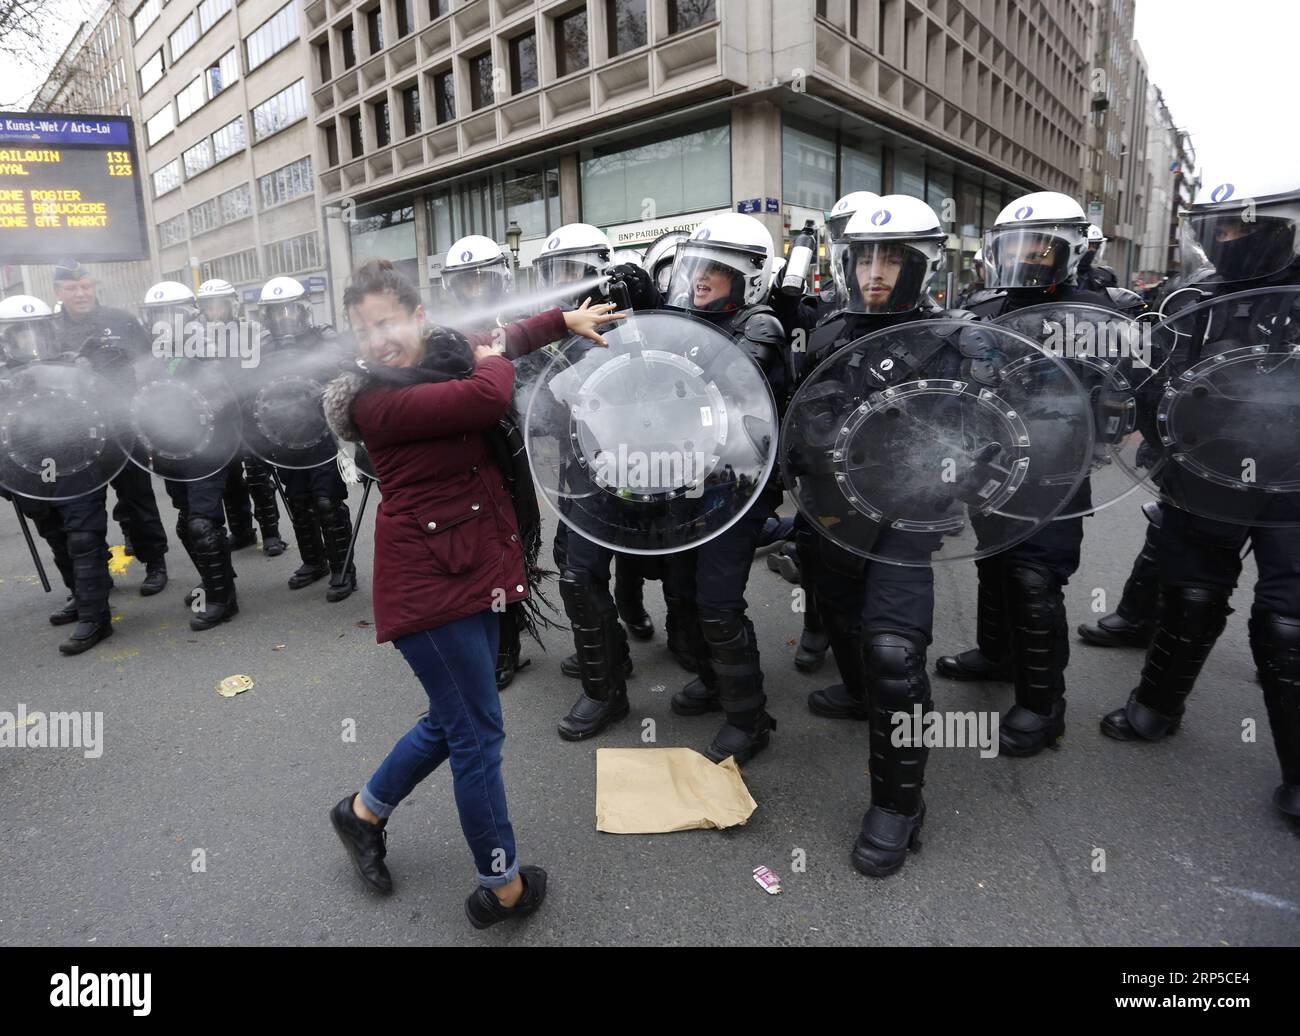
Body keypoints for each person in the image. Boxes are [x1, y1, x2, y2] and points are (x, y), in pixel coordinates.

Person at [321, 258, 620, 927]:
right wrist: (494, 354)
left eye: (388, 322)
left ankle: (362, 812)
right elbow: (485, 392)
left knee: (452, 719)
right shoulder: (377, 401)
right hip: (431, 592)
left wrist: (561, 320)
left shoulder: (443, 355)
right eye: (363, 330)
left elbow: (492, 343)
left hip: (470, 570)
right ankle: (503, 887)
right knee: (477, 736)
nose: (378, 340)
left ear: (418, 317)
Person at [1095, 170, 1300, 824]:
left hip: (1293, 487)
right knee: (1189, 594)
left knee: (1287, 621)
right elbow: (1155, 377)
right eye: (1223, 227)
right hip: (1204, 477)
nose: (1232, 238)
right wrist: (1147, 429)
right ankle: (1156, 707)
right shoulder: (1190, 297)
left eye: (1246, 225)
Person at [785, 196, 962, 875]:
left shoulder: (954, 341)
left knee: (893, 653)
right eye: (865, 257)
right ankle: (858, 695)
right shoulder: (824, 335)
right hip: (830, 517)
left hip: (904, 520)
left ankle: (898, 804)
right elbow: (789, 420)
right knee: (846, 627)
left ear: (922, 265)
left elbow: (979, 437)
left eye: (893, 258)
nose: (876, 272)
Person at [933, 191, 1136, 756]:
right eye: (1016, 245)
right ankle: (995, 654)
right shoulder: (987, 304)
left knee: (1034, 579)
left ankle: (1044, 706)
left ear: (1069, 249)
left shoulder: (1097, 311)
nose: (1027, 256)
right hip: (991, 466)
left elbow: (1126, 388)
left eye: (1041, 246)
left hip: (1056, 470)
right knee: (995, 563)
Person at [653, 212, 789, 763]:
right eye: (696, 266)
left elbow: (732, 383)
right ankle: (713, 679)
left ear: (748, 278)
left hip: (738, 488)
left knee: (717, 602)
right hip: (685, 482)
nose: (700, 277)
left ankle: (749, 716)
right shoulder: (689, 322)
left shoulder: (760, 326)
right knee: (683, 590)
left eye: (716, 269)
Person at [533, 223, 682, 706]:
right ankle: (607, 669)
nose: (563, 282)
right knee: (576, 574)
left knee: (639, 565)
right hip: (578, 468)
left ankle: (657, 636)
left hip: (629, 468)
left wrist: (637, 303)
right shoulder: (560, 325)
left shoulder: (631, 313)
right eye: (555, 272)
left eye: (572, 271)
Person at [49, 259, 169, 599]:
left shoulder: (121, 321)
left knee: (137, 499)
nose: (81, 293)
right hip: (75, 434)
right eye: (72, 288)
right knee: (82, 510)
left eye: (86, 286)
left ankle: (155, 562)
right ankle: (94, 577)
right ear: (58, 292)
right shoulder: (48, 330)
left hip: (123, 426)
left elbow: (151, 366)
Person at [140, 280, 242, 631]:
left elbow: (229, 397)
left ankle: (222, 601)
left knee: (202, 523)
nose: (167, 323)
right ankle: (217, 580)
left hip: (208, 451)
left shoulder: (213, 348)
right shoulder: (151, 360)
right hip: (172, 454)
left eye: (175, 315)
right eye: (160, 316)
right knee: (187, 523)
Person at [257, 275, 357, 602]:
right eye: (277, 312)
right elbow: (249, 390)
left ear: (302, 310)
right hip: (284, 437)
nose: (284, 318)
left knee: (327, 501)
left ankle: (343, 568)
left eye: (289, 310)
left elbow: (341, 374)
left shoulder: (323, 338)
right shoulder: (264, 347)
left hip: (320, 434)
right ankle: (313, 562)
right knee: (298, 502)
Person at [197, 278, 286, 558]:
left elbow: (268, 368)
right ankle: (242, 532)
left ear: (231, 305)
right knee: (229, 478)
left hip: (250, 413)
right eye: (208, 306)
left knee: (258, 475)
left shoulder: (254, 331)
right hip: (219, 417)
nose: (214, 311)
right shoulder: (196, 338)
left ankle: (272, 534)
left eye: (219, 305)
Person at [1076, 224, 1118, 291]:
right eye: (1089, 246)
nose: (1093, 250)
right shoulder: (1062, 276)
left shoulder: (1103, 278)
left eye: (1096, 246)